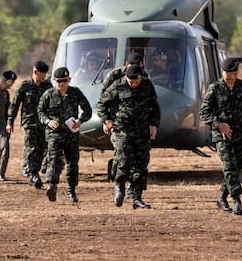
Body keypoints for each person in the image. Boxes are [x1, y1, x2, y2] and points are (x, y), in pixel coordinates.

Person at [199, 58, 242, 215]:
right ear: (223, 72)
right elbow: (204, 113)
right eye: (229, 74)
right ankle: (237, 200)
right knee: (229, 166)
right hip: (221, 136)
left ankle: (221, 197)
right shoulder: (215, 88)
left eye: (235, 74)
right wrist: (218, 124)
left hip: (239, 134)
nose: (232, 77)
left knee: (235, 169)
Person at [97, 64, 161, 209]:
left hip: (142, 130)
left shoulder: (147, 85)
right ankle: (119, 186)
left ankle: (137, 197)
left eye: (136, 81)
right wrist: (107, 121)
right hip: (122, 129)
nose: (133, 84)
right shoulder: (117, 85)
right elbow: (101, 104)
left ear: (140, 77)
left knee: (141, 164)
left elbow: (155, 106)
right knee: (124, 160)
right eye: (130, 81)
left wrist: (154, 125)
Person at [37, 67, 92, 204]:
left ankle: (71, 190)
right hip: (54, 134)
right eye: (59, 81)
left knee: (72, 162)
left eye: (64, 81)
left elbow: (88, 110)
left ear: (69, 80)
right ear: (54, 81)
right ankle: (52, 186)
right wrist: (48, 121)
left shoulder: (75, 93)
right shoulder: (49, 94)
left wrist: (80, 120)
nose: (61, 84)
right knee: (54, 159)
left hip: (71, 134)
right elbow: (40, 111)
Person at [8, 60, 51, 189]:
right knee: (31, 148)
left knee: (43, 148)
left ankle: (34, 171)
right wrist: (10, 121)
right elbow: (14, 105)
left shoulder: (48, 86)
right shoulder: (24, 86)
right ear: (35, 72)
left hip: (44, 123)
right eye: (42, 74)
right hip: (29, 123)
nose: (44, 76)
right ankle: (33, 175)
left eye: (45, 74)